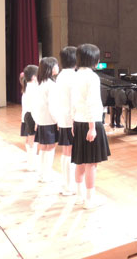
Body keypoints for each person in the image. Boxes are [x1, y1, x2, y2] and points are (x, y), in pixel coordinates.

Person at [71, 44, 111, 209]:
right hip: (90, 122)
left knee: (80, 162)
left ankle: (79, 196)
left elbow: (73, 102)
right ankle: (89, 199)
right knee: (91, 163)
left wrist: (73, 122)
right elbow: (92, 103)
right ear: (93, 59)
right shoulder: (92, 77)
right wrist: (92, 127)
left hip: (78, 121)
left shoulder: (75, 76)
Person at [33, 57, 60, 183]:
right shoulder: (51, 85)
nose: (58, 67)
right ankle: (46, 174)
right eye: (56, 65)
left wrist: (37, 120)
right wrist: (57, 120)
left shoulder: (39, 84)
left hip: (42, 120)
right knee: (50, 148)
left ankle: (42, 173)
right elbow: (53, 106)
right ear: (50, 68)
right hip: (50, 120)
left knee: (43, 147)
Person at [57, 46, 78, 195]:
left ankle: (66, 184)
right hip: (72, 119)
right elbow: (75, 101)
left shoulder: (60, 76)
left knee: (66, 152)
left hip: (63, 118)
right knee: (71, 153)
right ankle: (70, 186)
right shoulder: (73, 77)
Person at [21, 64, 39, 172]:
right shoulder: (33, 88)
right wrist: (37, 120)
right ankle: (31, 164)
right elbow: (34, 106)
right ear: (33, 77)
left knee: (29, 139)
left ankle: (30, 161)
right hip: (33, 115)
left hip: (28, 115)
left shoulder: (27, 86)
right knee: (33, 140)